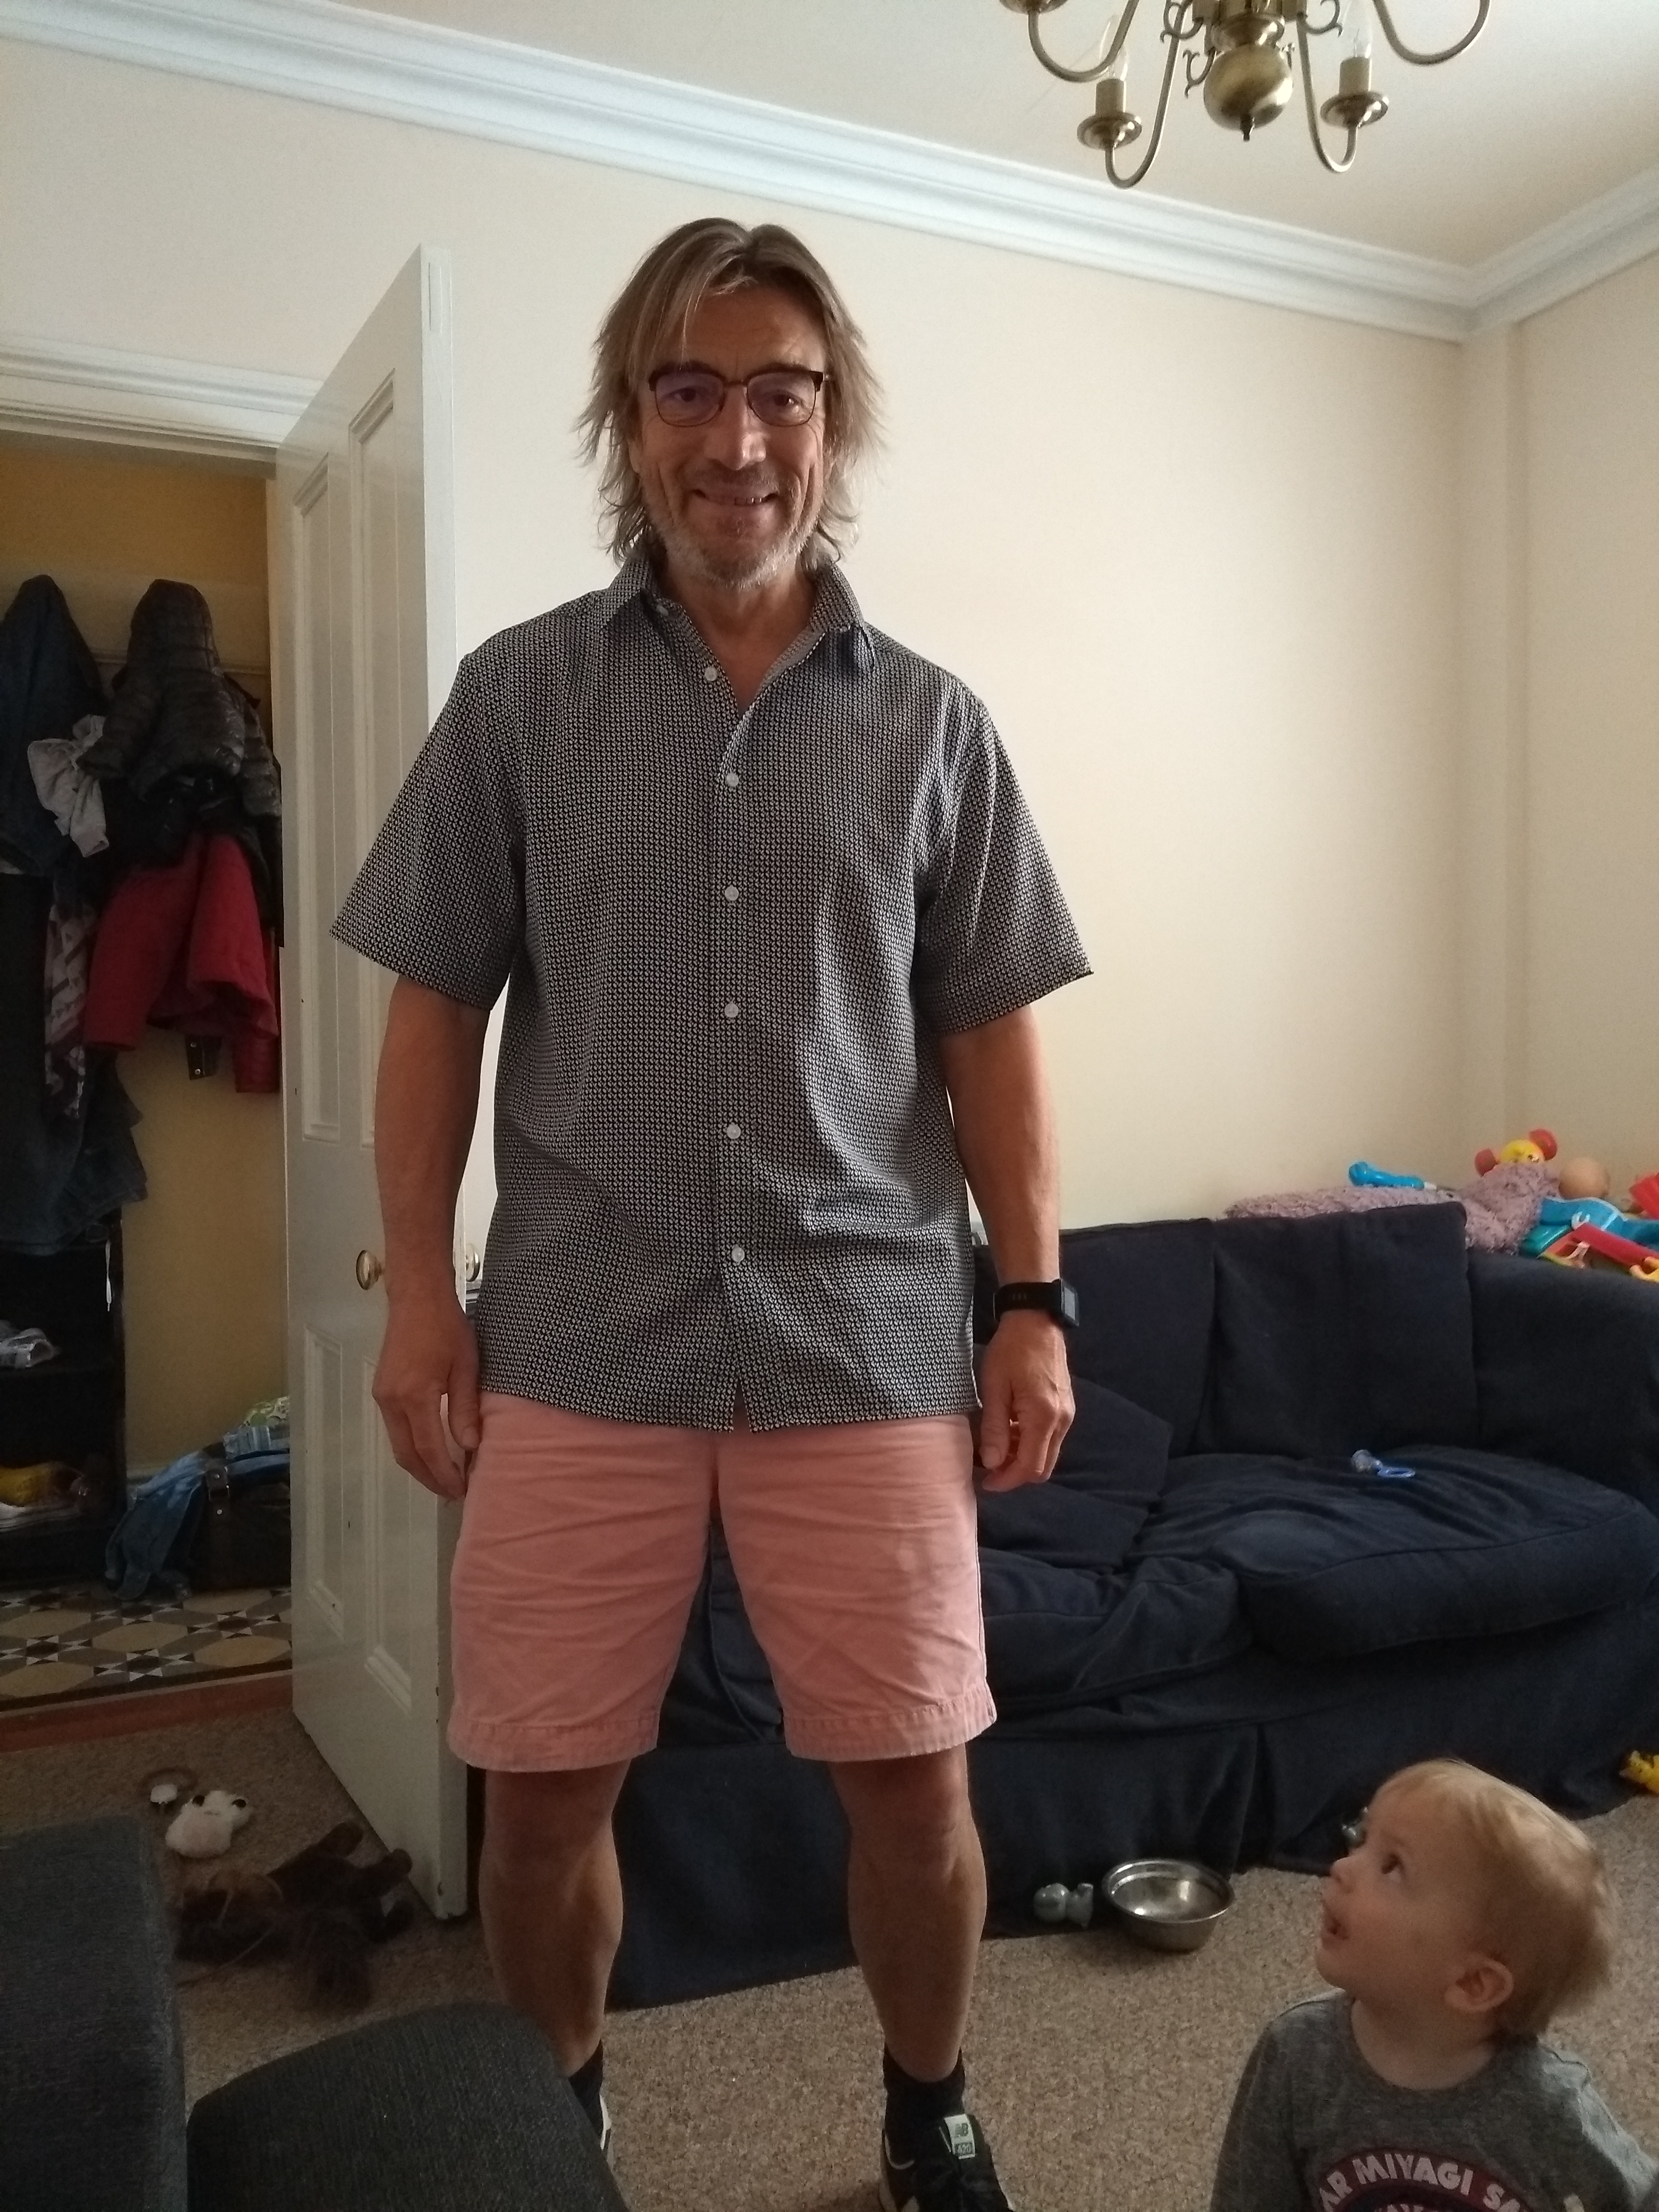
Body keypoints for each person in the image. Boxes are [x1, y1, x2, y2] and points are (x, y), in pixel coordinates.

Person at [333, 215, 1091, 2212]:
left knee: (913, 1785)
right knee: (536, 1801)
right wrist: (416, 1299)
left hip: (865, 1337)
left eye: (780, 394)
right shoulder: (516, 700)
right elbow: (432, 1011)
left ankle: (926, 2105)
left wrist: (1032, 1301)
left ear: (834, 427)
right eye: (688, 390)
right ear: (628, 420)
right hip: (584, 1334)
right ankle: (558, 2108)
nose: (735, 439)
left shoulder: (932, 726)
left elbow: (989, 1039)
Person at [1211, 1759, 1658, 2212]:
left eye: (1392, 1867)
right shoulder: (1297, 2053)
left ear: (1473, 1982)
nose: (1342, 1867)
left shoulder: (1550, 2106)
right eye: (1362, 1839)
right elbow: (1250, 2198)